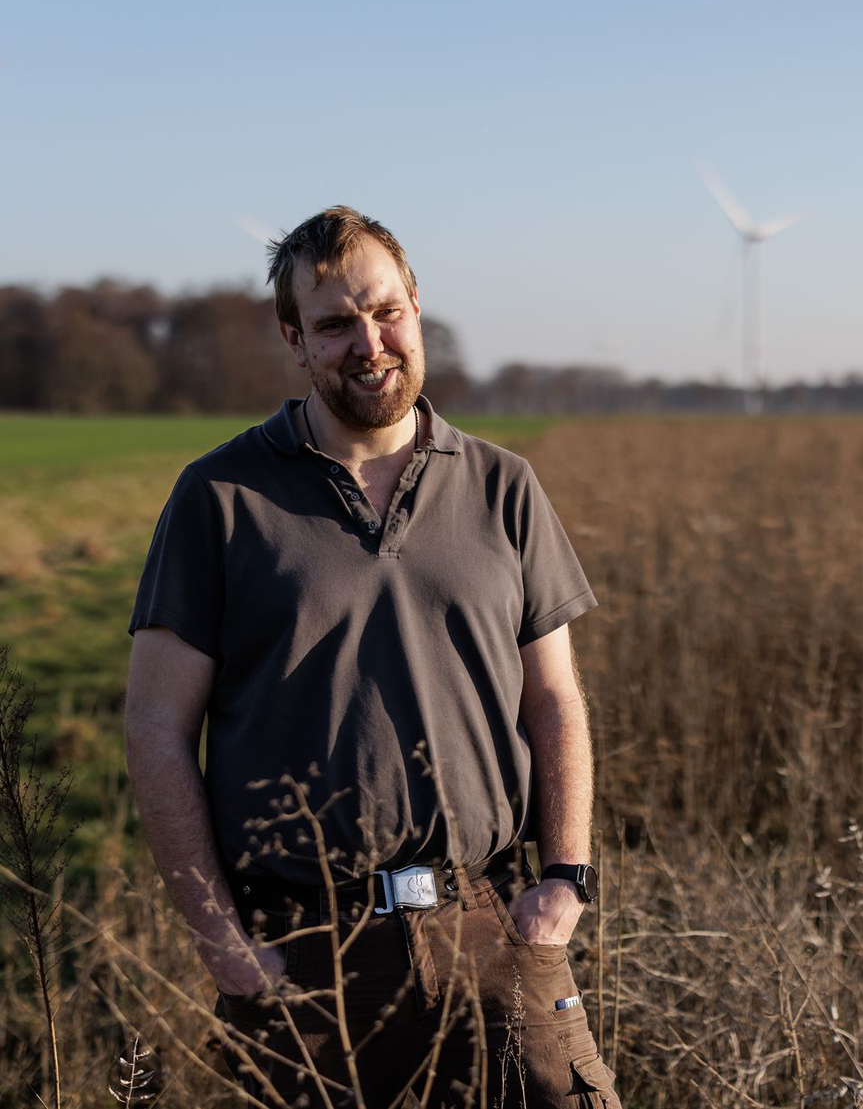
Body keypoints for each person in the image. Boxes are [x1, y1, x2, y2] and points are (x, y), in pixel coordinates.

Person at [125, 206, 619, 1107]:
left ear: (417, 305)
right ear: (294, 340)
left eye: (385, 311)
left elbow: (555, 698)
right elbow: (156, 727)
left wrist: (565, 879)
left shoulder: (503, 485)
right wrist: (222, 942)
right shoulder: (219, 496)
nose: (369, 341)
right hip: (309, 953)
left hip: (495, 925)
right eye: (334, 324)